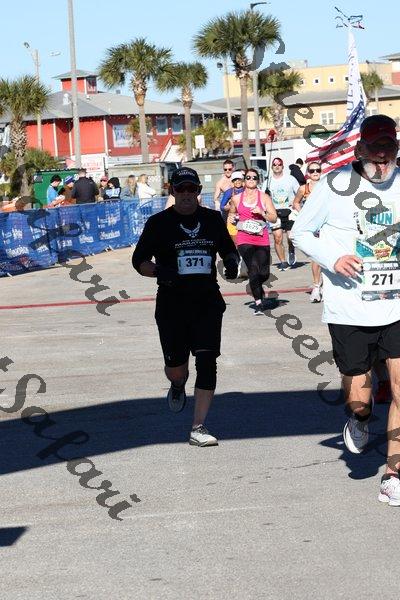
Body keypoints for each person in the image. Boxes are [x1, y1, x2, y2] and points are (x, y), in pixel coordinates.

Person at [291, 114, 400, 505]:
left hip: (396, 305)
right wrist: (333, 258)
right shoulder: (335, 184)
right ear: (360, 149)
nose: (382, 158)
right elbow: (300, 232)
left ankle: (393, 474)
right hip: (350, 307)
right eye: (376, 149)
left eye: (389, 149)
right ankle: (359, 418)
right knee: (360, 398)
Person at [132, 166, 239, 447]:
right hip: (172, 305)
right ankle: (178, 384)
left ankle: (198, 426)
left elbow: (228, 248)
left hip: (207, 303)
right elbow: (139, 260)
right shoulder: (158, 223)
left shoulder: (212, 219)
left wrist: (230, 262)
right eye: (181, 189)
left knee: (207, 362)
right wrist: (159, 272)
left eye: (192, 189)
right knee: (177, 368)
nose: (187, 194)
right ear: (173, 191)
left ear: (199, 191)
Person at [228, 168, 277, 315]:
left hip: (261, 238)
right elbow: (231, 213)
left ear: (258, 180)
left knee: (264, 273)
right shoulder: (237, 198)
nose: (251, 180)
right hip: (244, 238)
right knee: (253, 269)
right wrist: (232, 218)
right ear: (244, 181)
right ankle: (258, 303)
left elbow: (274, 218)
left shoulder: (264, 197)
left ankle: (257, 287)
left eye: (254, 178)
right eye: (248, 177)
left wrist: (262, 213)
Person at [292, 162, 323, 302]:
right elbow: (296, 203)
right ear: (308, 173)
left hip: (326, 225)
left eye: (318, 170)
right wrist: (303, 214)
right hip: (312, 226)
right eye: (312, 170)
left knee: (326, 254)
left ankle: (326, 286)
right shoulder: (303, 188)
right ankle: (316, 286)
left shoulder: (326, 186)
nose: (315, 172)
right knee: (316, 256)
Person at [262, 157, 299, 270]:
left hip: (290, 211)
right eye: (274, 164)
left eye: (279, 164)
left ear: (282, 166)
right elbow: (262, 198)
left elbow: (300, 193)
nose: (277, 166)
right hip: (275, 212)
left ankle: (291, 250)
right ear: (272, 167)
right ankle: (283, 262)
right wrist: (266, 195)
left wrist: (295, 202)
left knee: (291, 237)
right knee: (277, 238)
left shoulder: (291, 179)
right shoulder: (267, 182)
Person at [220, 170, 245, 243]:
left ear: (242, 180)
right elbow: (222, 206)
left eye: (239, 179)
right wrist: (231, 206)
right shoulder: (229, 192)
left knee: (245, 241)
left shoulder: (247, 190)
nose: (237, 181)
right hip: (233, 219)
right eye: (235, 180)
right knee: (235, 242)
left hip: (245, 218)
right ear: (232, 181)